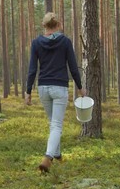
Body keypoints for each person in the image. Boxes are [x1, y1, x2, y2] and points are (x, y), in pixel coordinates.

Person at [25, 12, 87, 173]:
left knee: (53, 123)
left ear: (44, 26)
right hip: (59, 87)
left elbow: (32, 69)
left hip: (43, 87)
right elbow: (73, 66)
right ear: (58, 25)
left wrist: (28, 91)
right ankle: (48, 157)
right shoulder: (65, 42)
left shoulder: (36, 43)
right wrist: (80, 87)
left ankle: (57, 154)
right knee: (57, 125)